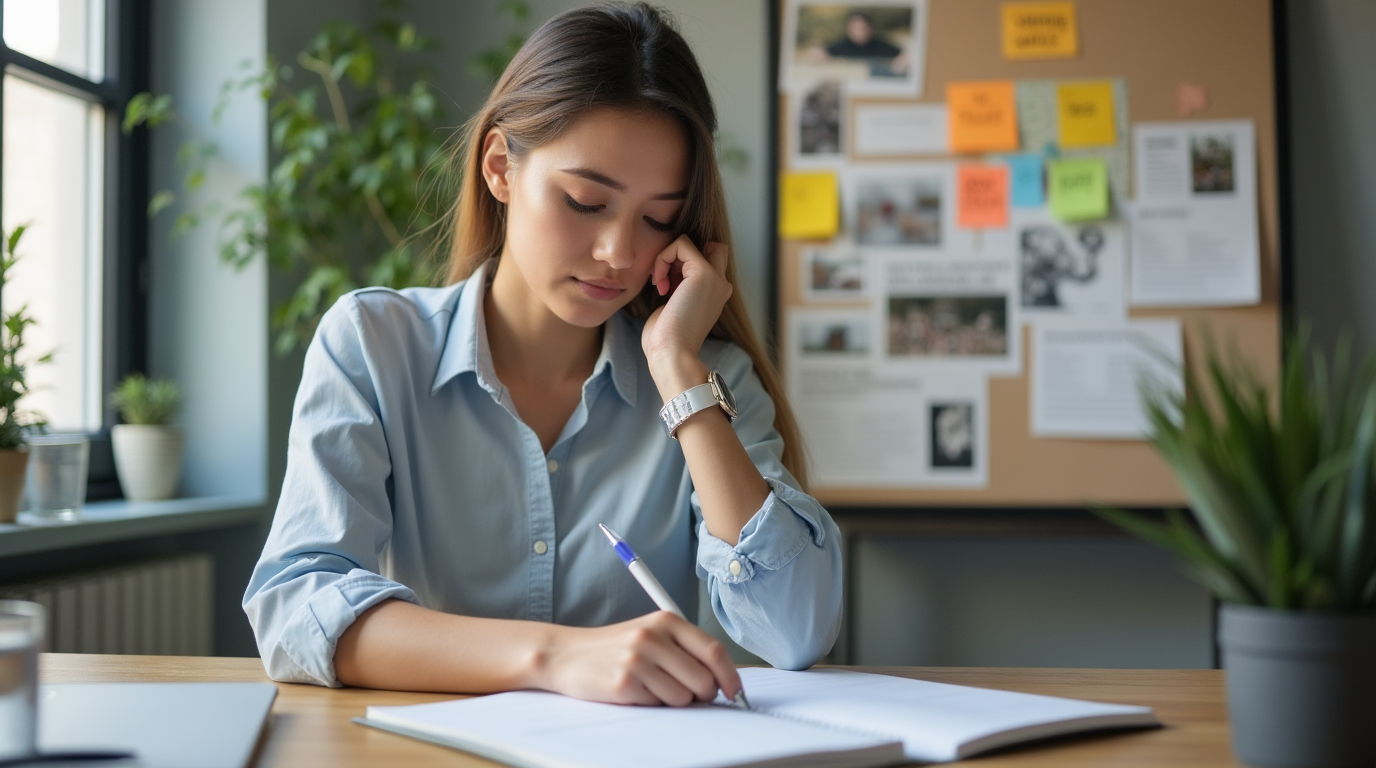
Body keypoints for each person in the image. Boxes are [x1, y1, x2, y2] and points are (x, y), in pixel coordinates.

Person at [242, 2, 843, 708]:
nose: (620, 253)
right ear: (500, 168)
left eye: (657, 219)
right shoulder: (373, 345)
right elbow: (295, 609)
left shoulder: (710, 378)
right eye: (586, 201)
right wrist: (554, 656)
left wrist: (680, 373)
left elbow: (797, 630)